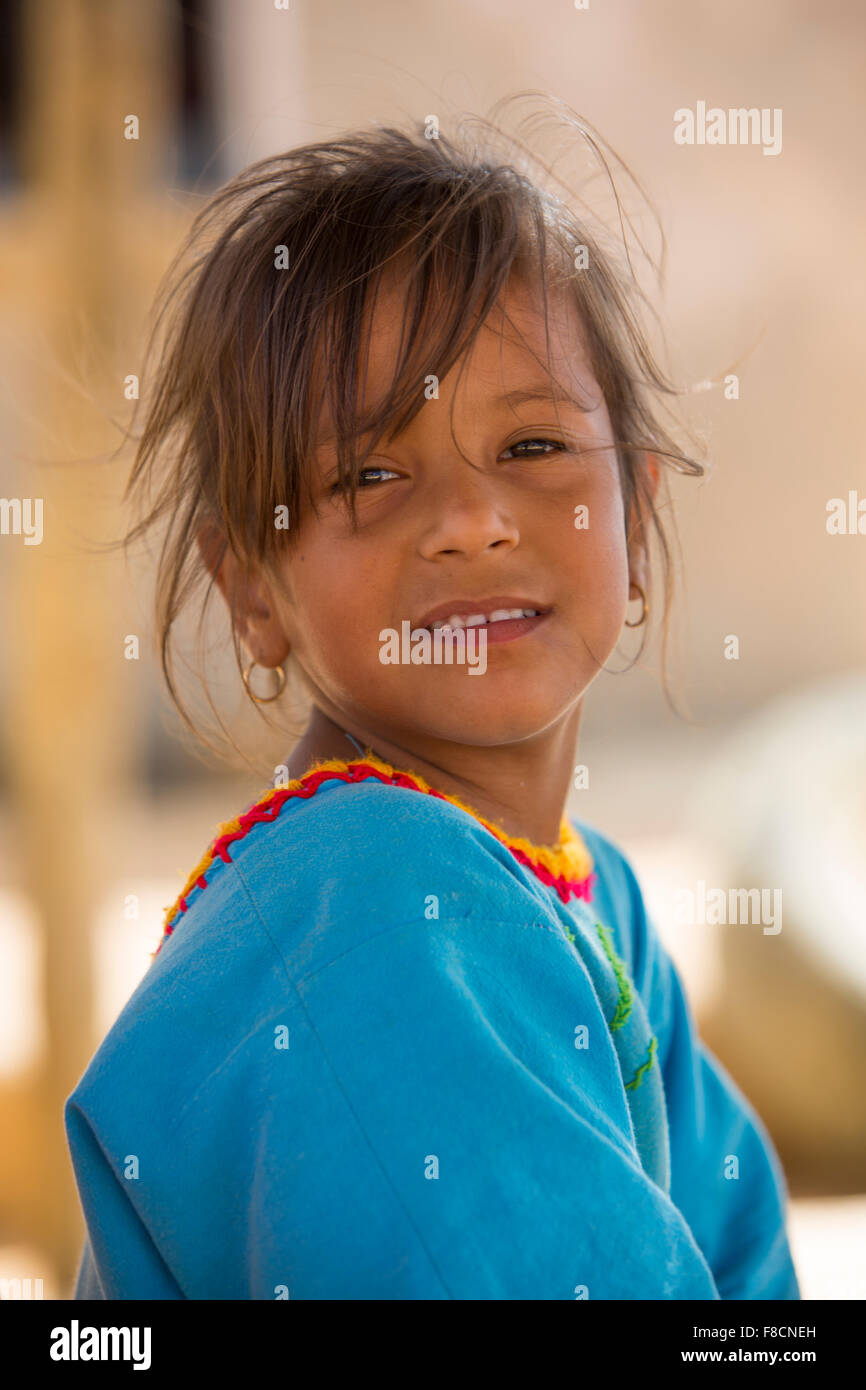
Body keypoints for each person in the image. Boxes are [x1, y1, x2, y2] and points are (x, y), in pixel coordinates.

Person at [64, 114, 800, 1300]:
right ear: (250, 584)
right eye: (370, 472)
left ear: (637, 521)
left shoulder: (586, 891)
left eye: (532, 442)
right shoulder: (368, 909)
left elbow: (742, 1267)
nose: (471, 517)